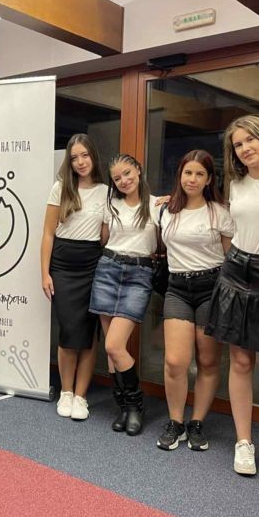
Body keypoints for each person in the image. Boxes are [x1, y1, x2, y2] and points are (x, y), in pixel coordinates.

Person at [204, 115, 259, 479]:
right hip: (236, 269)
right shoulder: (235, 184)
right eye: (238, 144)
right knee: (240, 362)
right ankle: (243, 441)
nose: (245, 148)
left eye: (250, 139)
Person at [156, 150, 234, 451]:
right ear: (179, 175)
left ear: (209, 179)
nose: (192, 179)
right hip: (177, 287)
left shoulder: (219, 212)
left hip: (211, 288)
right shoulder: (164, 210)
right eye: (187, 173)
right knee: (175, 361)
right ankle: (175, 422)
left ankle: (197, 422)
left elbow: (230, 257)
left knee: (208, 361)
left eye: (199, 174)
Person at [90, 153, 157, 436]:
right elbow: (104, 238)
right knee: (111, 351)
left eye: (128, 173)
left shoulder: (157, 205)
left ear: (138, 170)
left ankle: (136, 405)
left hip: (139, 274)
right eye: (117, 178)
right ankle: (124, 408)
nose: (124, 181)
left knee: (114, 345)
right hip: (108, 269)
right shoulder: (111, 205)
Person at [41, 134, 107, 420]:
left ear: (94, 156)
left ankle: (81, 396)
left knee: (89, 334)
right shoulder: (60, 188)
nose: (80, 162)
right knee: (69, 331)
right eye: (74, 157)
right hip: (63, 266)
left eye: (85, 155)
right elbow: (48, 234)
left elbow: (105, 235)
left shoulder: (106, 192)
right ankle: (66, 391)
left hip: (93, 264)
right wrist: (44, 273)